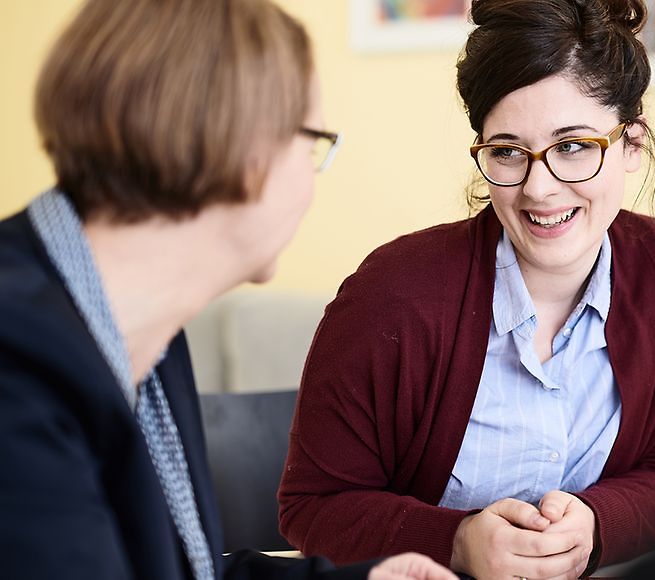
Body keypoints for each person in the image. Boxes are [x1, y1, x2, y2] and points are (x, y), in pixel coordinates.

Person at [0, 1, 457, 579]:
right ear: (246, 150)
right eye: (311, 141)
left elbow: (176, 568)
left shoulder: (148, 339)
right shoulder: (17, 367)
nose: (311, 181)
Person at [277, 0, 655, 578]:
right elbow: (312, 509)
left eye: (572, 146)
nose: (539, 188)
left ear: (632, 144)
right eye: (508, 152)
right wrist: (456, 541)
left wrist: (594, 525)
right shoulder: (390, 295)